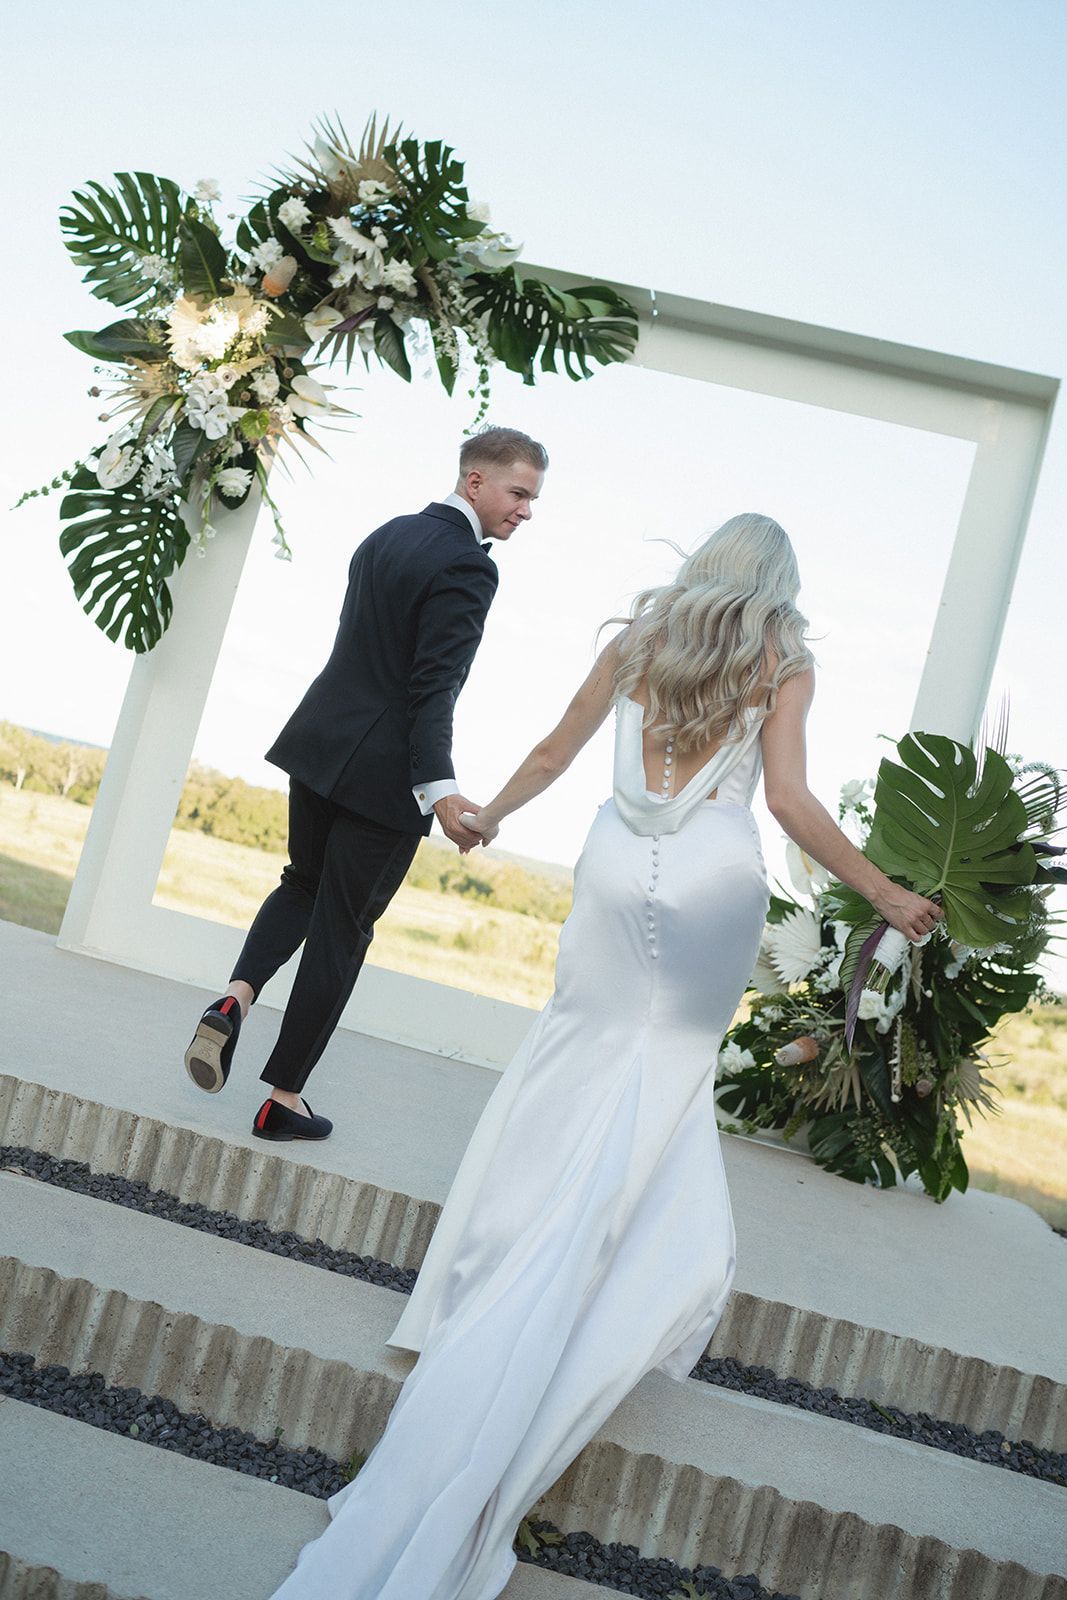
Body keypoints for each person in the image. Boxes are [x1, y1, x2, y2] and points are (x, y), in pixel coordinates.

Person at [264, 512, 943, 1598]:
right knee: (664, 1064)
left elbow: (551, 748)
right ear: (777, 582)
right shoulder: (781, 655)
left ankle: (508, 1247)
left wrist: (485, 810)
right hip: (714, 876)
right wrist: (883, 894)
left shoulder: (634, 639)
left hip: (614, 868)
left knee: (576, 1049)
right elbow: (784, 799)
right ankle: (618, 1258)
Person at [182, 426, 548, 1141]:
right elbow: (431, 687)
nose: (526, 511)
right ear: (476, 482)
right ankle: (282, 1099)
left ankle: (233, 999)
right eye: (519, 493)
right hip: (383, 775)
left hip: (319, 743)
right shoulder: (471, 567)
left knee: (300, 885)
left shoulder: (386, 534)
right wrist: (439, 790)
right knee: (342, 934)